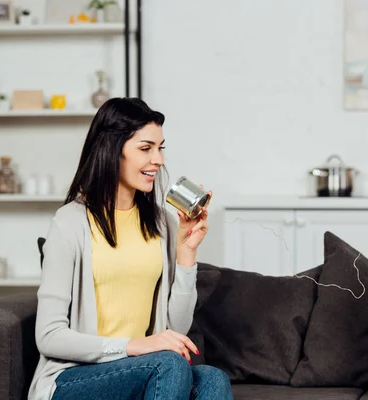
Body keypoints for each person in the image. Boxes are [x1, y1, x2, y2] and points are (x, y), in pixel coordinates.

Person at [28, 98, 233, 400]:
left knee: (212, 379)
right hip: (74, 377)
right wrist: (132, 345)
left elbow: (175, 329)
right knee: (168, 365)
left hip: (147, 367)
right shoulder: (70, 223)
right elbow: (49, 336)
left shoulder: (162, 224)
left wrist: (187, 256)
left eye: (161, 148)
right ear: (113, 149)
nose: (158, 160)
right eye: (145, 148)